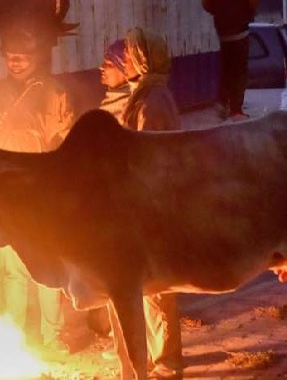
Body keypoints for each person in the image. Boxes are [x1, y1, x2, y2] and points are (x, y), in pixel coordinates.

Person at [0, 26, 75, 358]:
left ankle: (51, 338)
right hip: (8, 194)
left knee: (46, 268)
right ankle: (13, 337)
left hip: (41, 192)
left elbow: (64, 142)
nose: (14, 63)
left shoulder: (54, 94)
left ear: (36, 58)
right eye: (10, 57)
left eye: (22, 58)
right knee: (14, 269)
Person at [121, 27, 182, 378]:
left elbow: (150, 154)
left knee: (158, 291)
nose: (126, 60)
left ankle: (168, 366)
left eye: (131, 54)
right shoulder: (148, 94)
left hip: (155, 206)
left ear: (143, 60)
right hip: (150, 203)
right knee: (149, 289)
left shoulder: (152, 102)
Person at [202, 0, 260, 122]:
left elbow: (206, 3)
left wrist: (218, 12)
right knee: (240, 69)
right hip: (240, 30)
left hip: (222, 30)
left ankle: (221, 102)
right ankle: (236, 110)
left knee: (226, 66)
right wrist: (247, 13)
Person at [98, 39, 132, 124]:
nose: (101, 67)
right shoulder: (109, 102)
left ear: (125, 73)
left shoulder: (130, 107)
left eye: (109, 65)